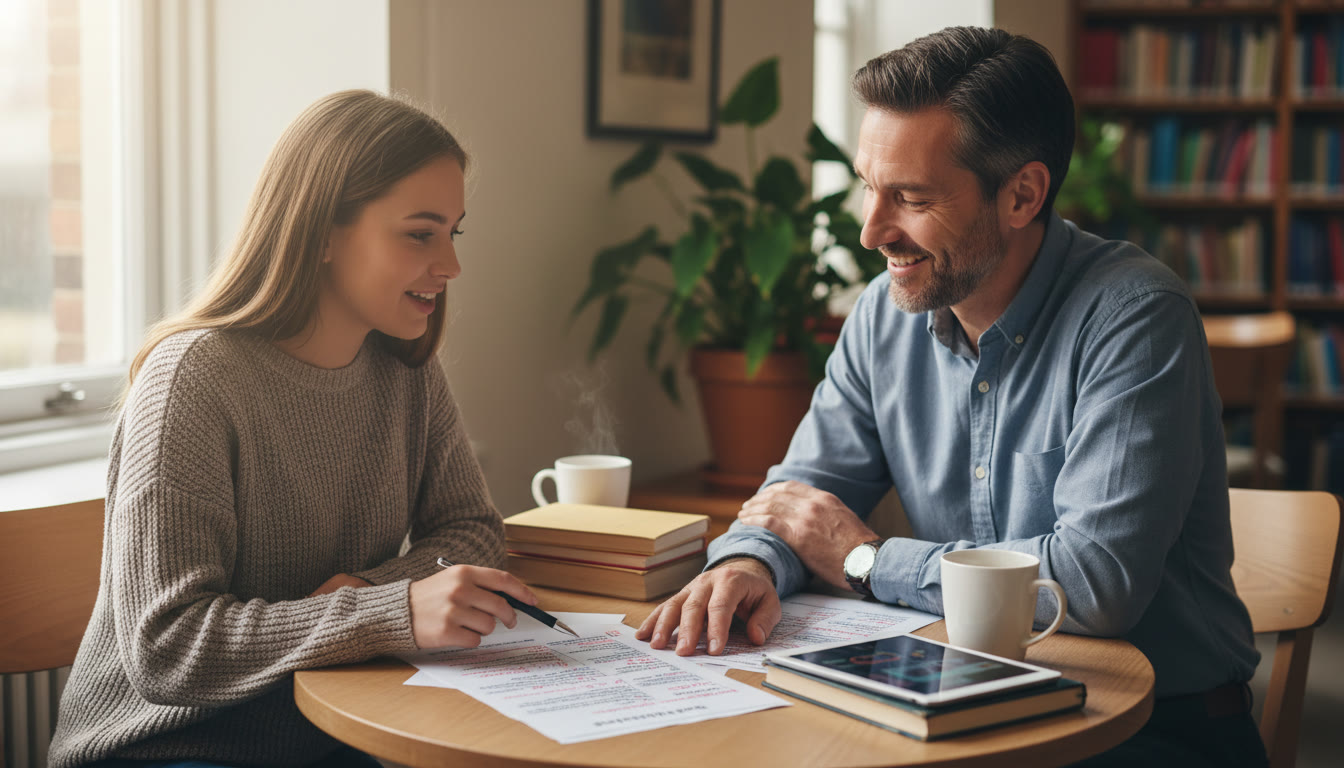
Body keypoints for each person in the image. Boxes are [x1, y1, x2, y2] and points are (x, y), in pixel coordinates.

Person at [635, 27, 1267, 768]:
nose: (872, 230)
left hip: (1149, 727)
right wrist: (747, 564)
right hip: (956, 707)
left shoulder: (1134, 315)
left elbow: (1096, 585)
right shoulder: (883, 313)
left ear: (1022, 195)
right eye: (871, 188)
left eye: (911, 197)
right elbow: (800, 498)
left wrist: (868, 561)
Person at [49, 90, 538, 768]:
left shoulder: (406, 367)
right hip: (168, 744)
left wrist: (365, 591)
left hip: (331, 723)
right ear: (324, 232)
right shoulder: (194, 378)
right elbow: (168, 648)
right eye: (420, 233)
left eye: (453, 233)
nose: (450, 267)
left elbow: (471, 531)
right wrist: (388, 613)